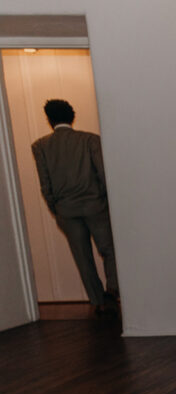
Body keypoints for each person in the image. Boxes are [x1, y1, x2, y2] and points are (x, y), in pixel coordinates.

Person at [31, 99, 119, 317]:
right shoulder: (90, 140)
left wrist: (56, 208)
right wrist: (105, 201)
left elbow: (45, 184)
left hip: (66, 210)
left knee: (82, 256)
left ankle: (97, 300)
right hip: (95, 205)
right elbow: (103, 174)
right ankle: (114, 290)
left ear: (49, 120)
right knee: (110, 250)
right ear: (72, 116)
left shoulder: (40, 146)